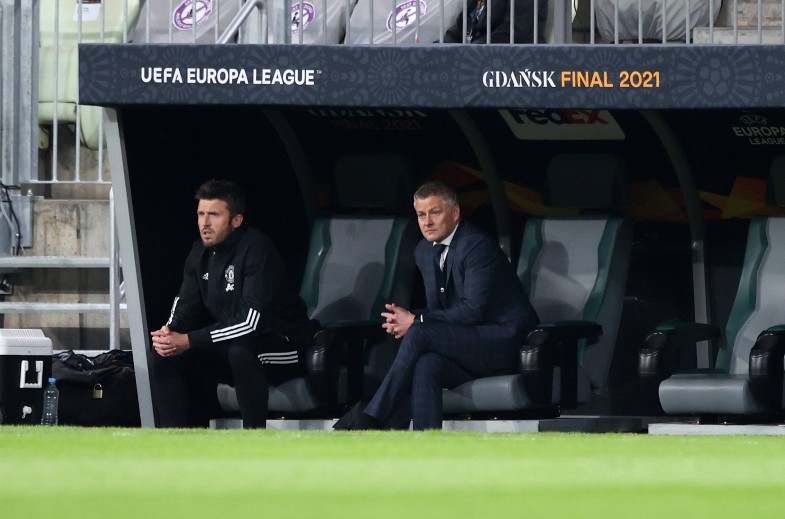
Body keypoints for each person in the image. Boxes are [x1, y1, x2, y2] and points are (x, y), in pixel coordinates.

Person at [337, 181, 538, 430]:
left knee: (420, 332)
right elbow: (439, 311)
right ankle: (427, 443)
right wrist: (408, 317)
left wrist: (416, 321)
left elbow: (472, 311)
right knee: (427, 363)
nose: (427, 222)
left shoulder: (476, 247)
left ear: (455, 213)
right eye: (421, 215)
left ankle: (372, 416)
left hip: (502, 344)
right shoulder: (424, 251)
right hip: (465, 342)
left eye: (435, 212)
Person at [150, 179, 319, 428]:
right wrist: (170, 332)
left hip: (286, 344)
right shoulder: (199, 252)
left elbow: (249, 323)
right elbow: (184, 305)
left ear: (236, 220)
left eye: (214, 215)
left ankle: (252, 440)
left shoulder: (256, 249)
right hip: (234, 342)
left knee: (241, 351)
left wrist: (189, 340)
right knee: (163, 355)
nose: (205, 223)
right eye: (201, 214)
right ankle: (175, 443)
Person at [442, 0, 548, 43]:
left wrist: (467, 51)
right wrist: (432, 50)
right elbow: (459, 29)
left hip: (516, 68)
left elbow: (514, 32)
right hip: (476, 60)